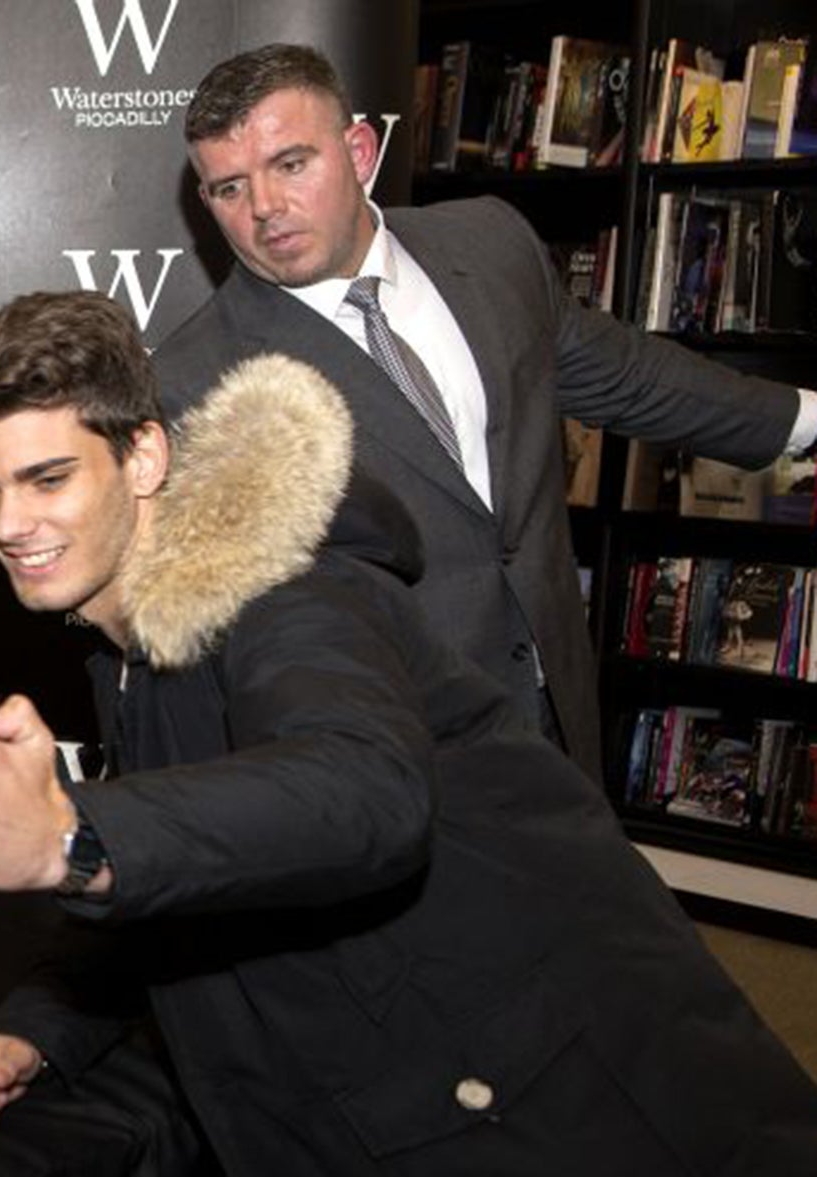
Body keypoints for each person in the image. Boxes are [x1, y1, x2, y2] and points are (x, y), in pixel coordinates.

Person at [0, 290, 817, 1177]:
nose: (10, 524)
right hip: (352, 1118)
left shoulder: (292, 595)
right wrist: (47, 1026)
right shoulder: (132, 640)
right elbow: (201, 889)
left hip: (505, 1115)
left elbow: (361, 794)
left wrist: (66, 836)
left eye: (45, 478)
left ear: (143, 455)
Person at [159, 43, 817, 778]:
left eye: (291, 165)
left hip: (560, 716)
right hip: (399, 761)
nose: (264, 210)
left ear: (360, 150)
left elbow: (628, 376)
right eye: (228, 189)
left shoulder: (489, 243)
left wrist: (808, 421)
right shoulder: (199, 381)